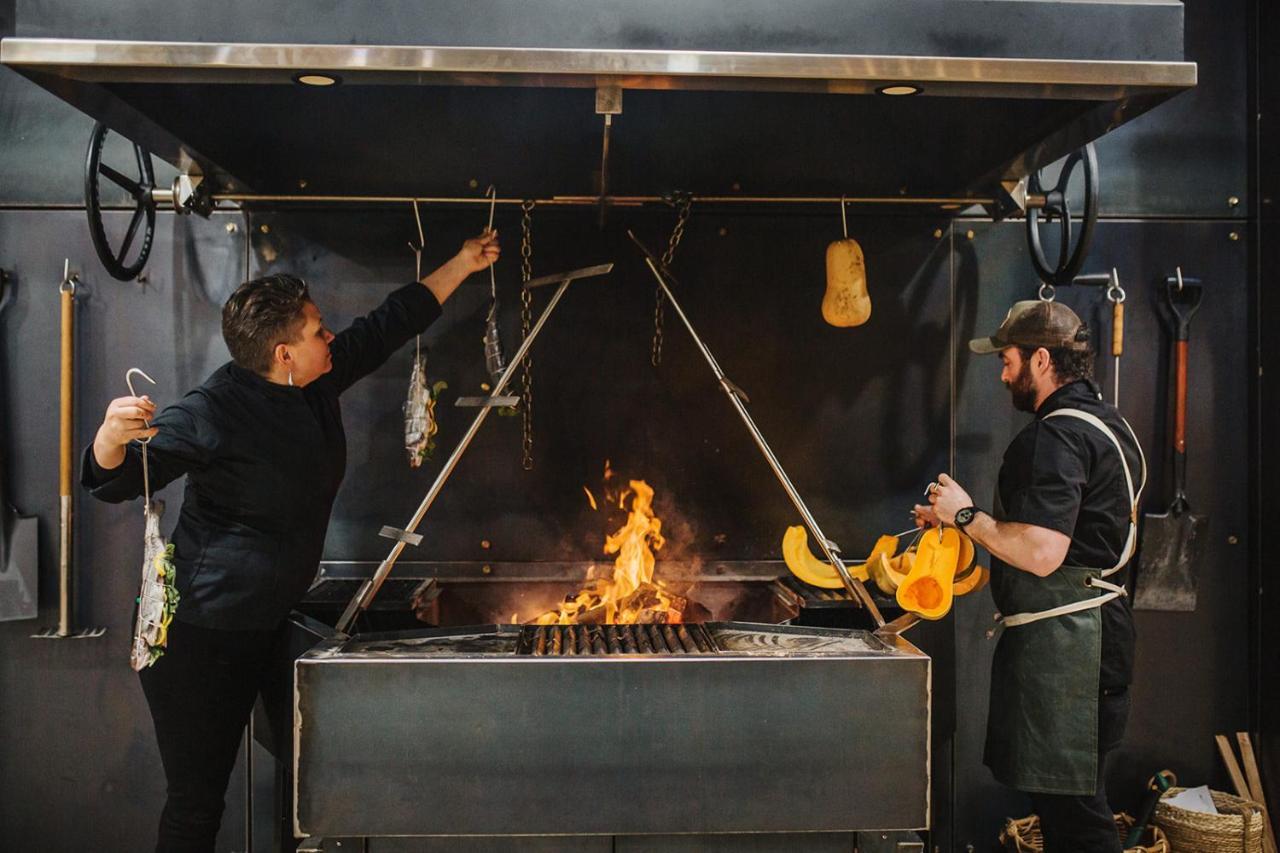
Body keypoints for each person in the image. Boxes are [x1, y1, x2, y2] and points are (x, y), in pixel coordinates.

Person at [82, 229, 500, 852]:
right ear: (283, 353)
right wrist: (111, 435)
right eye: (316, 331)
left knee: (320, 780)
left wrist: (463, 265)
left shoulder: (316, 382)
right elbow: (114, 481)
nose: (329, 337)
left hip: (275, 623)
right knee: (197, 806)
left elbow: (387, 325)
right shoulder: (213, 410)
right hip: (202, 638)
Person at [914, 300, 1146, 853]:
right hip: (1095, 637)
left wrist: (966, 515)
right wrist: (961, 526)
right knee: (1069, 809)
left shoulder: (1057, 436)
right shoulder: (1110, 425)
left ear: (1041, 360)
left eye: (1008, 360)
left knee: (1078, 819)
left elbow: (1042, 551)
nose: (1001, 372)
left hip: (1073, 650)